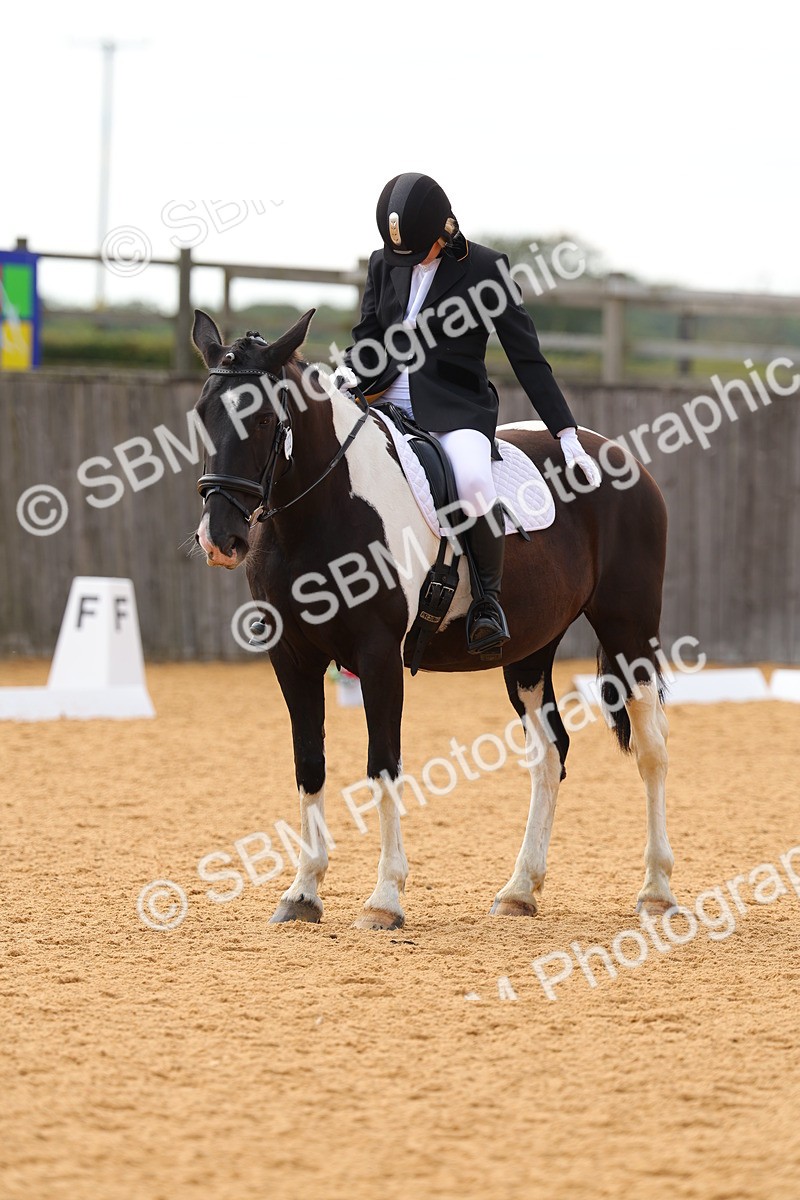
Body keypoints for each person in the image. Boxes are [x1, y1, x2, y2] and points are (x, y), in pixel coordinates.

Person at [333, 171, 601, 655]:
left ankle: (486, 601)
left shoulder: (486, 269)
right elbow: (368, 335)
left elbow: (528, 358)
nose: (409, 263)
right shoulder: (382, 263)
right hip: (381, 402)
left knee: (475, 485)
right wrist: (349, 372)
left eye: (419, 252)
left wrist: (566, 434)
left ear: (446, 230)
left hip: (453, 410)